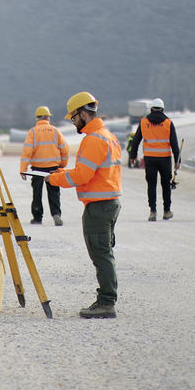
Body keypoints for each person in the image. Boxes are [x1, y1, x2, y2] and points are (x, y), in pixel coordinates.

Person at [48, 91, 123, 319]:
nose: (74, 122)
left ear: (82, 113)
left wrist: (54, 179)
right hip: (110, 202)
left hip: (99, 206)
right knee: (105, 252)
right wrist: (62, 172)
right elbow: (91, 172)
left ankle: (106, 302)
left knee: (100, 254)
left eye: (73, 117)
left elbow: (82, 176)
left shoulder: (93, 139)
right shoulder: (107, 136)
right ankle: (106, 299)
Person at [128, 98, 181, 221]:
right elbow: (174, 144)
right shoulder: (168, 123)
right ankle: (167, 211)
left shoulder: (143, 122)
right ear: (162, 109)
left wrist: (133, 156)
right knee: (166, 186)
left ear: (151, 109)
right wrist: (178, 161)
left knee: (151, 185)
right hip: (165, 159)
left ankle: (153, 212)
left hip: (150, 159)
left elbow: (136, 141)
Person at [19, 105, 70, 226]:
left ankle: (37, 217)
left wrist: (23, 169)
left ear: (37, 118)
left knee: (37, 193)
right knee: (54, 192)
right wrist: (62, 165)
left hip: (37, 169)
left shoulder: (32, 132)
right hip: (53, 168)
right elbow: (65, 150)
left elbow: (26, 152)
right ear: (48, 117)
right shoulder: (55, 131)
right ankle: (56, 214)